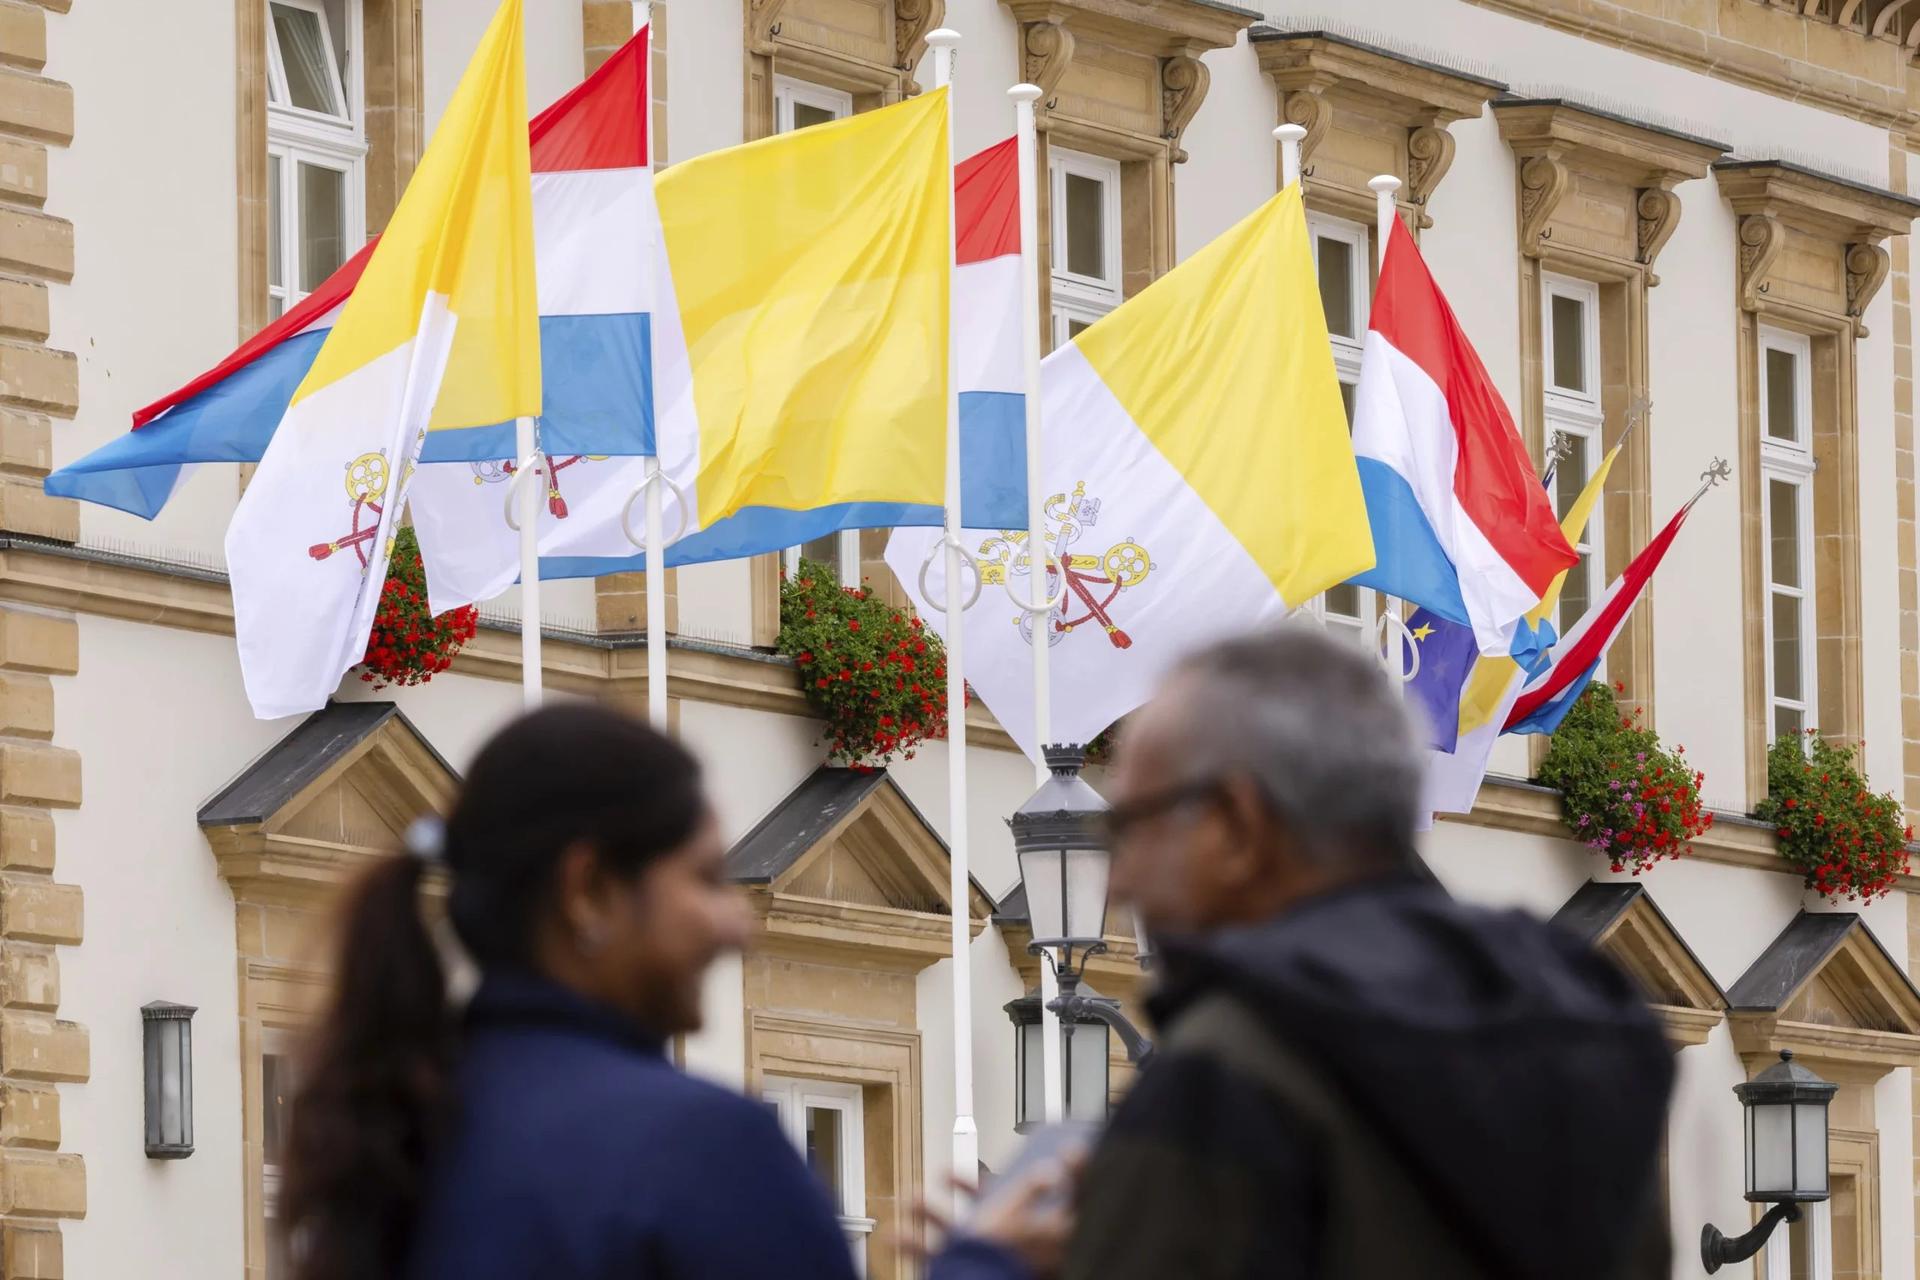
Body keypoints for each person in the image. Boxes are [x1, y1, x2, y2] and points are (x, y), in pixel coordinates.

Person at [965, 626, 1676, 1279]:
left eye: (1132, 826)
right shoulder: (1580, 1035)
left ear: (1238, 824)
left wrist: (987, 1265)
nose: (1116, 876)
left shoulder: (1239, 1063)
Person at [280, 703, 1058, 1280]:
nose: (736, 925)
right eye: (704, 879)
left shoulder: (398, 1133)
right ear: (588, 891)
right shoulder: (698, 1151)